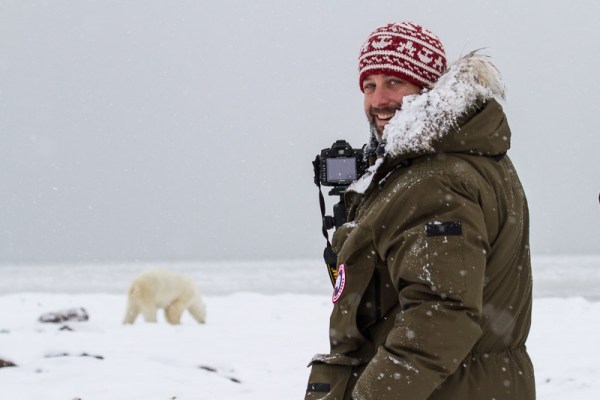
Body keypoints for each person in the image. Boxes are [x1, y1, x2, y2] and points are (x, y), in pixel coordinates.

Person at [305, 22, 535, 399]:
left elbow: (440, 315)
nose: (378, 100)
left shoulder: (435, 179)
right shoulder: (470, 157)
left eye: (394, 82)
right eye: (369, 85)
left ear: (429, 86)